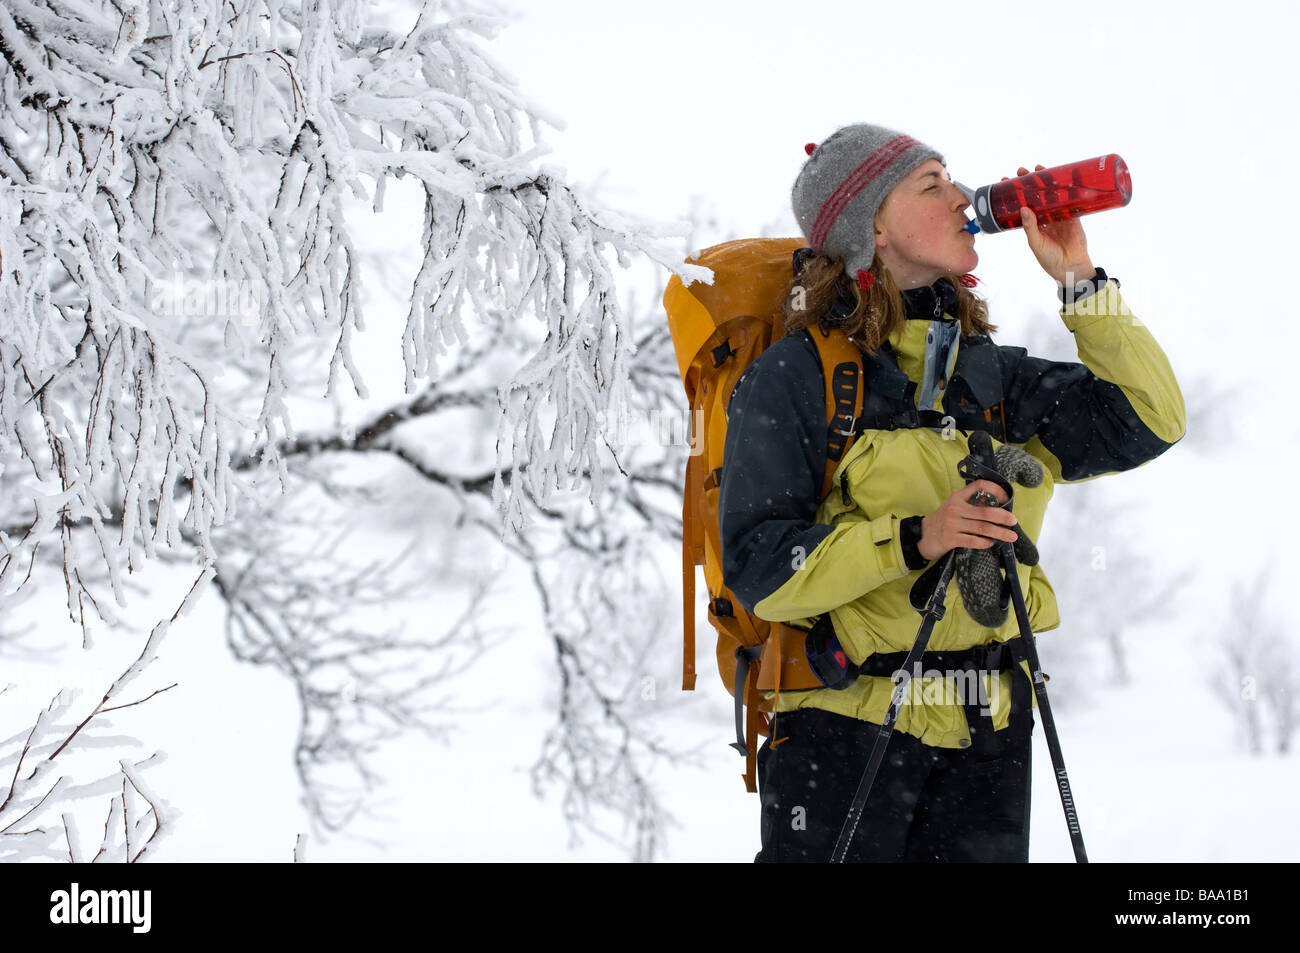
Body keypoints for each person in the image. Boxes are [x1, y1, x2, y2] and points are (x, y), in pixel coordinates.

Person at [717, 124, 1185, 862]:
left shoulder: (990, 373)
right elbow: (761, 566)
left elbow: (1150, 420)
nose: (962, 197)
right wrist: (913, 538)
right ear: (869, 222)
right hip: (846, 735)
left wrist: (1079, 281)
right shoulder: (797, 377)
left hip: (989, 735)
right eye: (930, 183)